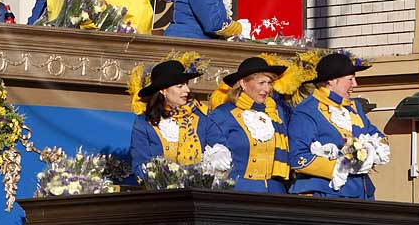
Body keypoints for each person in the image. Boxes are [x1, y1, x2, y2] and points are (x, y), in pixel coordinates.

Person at [289, 52, 387, 199]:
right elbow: (297, 158)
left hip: (362, 193)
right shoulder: (307, 111)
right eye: (350, 79)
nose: (355, 84)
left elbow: (377, 136)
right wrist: (339, 166)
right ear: (332, 81)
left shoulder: (354, 108)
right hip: (326, 193)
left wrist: (370, 152)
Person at [206, 56, 290, 193]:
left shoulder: (277, 113)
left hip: (275, 192)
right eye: (261, 83)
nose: (266, 89)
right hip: (240, 192)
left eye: (269, 83)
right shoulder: (223, 114)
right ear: (243, 84)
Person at [129, 57, 213, 180]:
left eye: (186, 84)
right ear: (163, 91)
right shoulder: (144, 123)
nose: (187, 90)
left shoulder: (202, 118)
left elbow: (217, 147)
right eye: (180, 86)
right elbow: (139, 166)